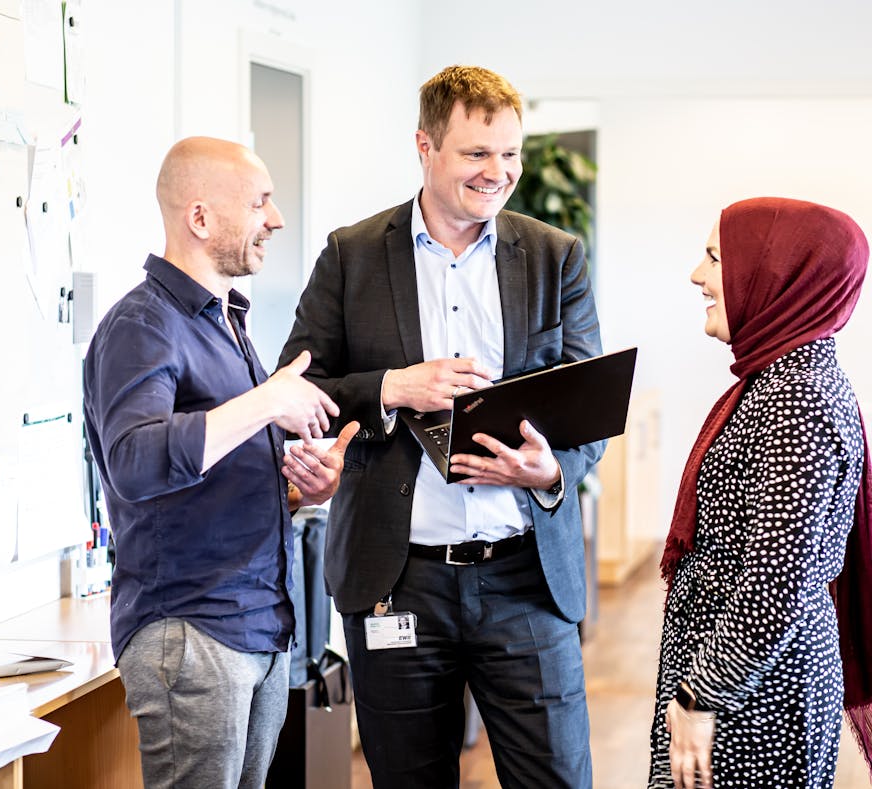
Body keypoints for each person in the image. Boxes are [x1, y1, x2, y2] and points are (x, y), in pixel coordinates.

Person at [278, 65, 603, 788]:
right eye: (477, 153)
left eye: (511, 153)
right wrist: (392, 386)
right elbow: (294, 387)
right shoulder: (352, 255)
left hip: (525, 577)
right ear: (424, 146)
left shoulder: (557, 258)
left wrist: (550, 472)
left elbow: (589, 417)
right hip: (399, 581)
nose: (501, 173)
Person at [82, 136, 359, 789]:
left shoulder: (226, 321)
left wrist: (298, 488)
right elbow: (135, 459)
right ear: (200, 218)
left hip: (257, 622)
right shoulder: (142, 326)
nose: (277, 218)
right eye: (260, 202)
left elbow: (209, 467)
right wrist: (266, 402)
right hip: (192, 629)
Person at [650, 196, 872, 789]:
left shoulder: (797, 400)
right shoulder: (777, 381)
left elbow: (776, 583)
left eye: (715, 258)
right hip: (744, 688)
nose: (697, 275)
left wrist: (701, 698)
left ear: (775, 276)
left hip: (759, 698)